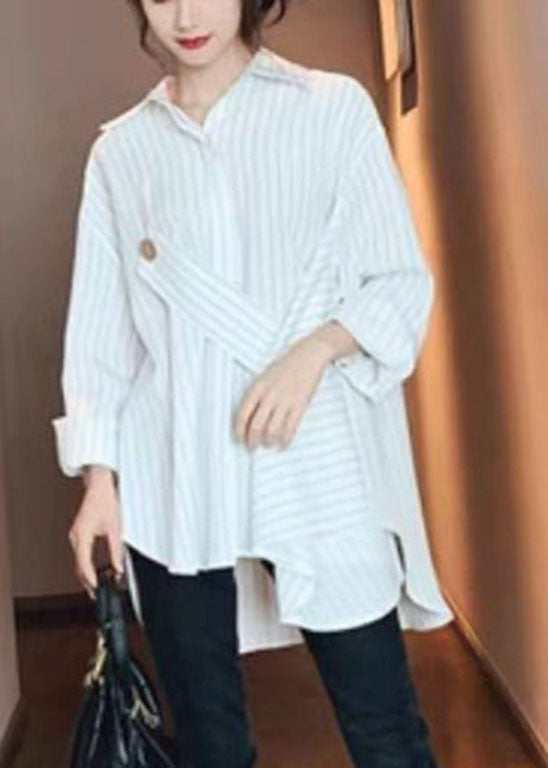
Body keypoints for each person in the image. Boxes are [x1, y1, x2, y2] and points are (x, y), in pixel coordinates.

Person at [51, 0, 454, 765]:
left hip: (314, 446)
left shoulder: (330, 109)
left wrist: (313, 353)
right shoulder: (121, 153)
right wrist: (98, 482)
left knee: (386, 732)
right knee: (211, 744)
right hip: (175, 467)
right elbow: (102, 334)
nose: (185, 14)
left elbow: (398, 279)